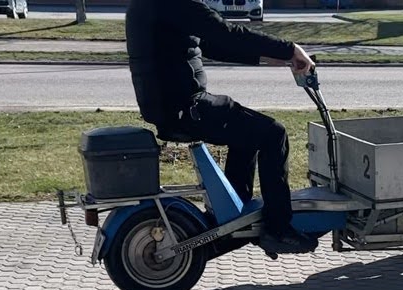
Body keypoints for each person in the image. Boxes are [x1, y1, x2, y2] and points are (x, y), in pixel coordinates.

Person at [125, 0, 317, 257]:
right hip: (187, 107)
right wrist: (290, 49)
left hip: (172, 108)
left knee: (247, 133)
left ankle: (235, 218)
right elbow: (226, 33)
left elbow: (208, 44)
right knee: (274, 133)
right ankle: (278, 229)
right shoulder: (172, 4)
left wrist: (266, 56)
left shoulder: (151, 5)